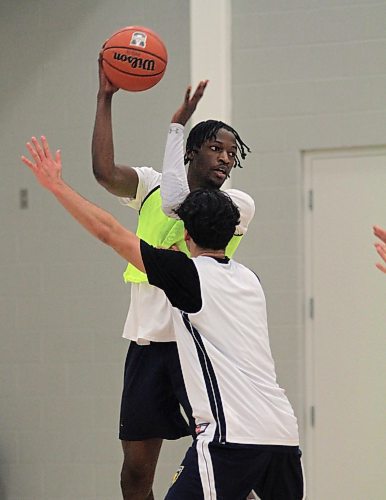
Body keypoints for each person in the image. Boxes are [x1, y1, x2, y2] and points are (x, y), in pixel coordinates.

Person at [21, 138, 304, 499]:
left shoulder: (187, 277)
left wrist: (57, 185)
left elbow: (109, 231)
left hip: (231, 437)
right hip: (282, 432)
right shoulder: (251, 280)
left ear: (186, 236)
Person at [91, 64, 255, 499]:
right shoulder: (150, 185)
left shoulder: (234, 205)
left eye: (232, 153)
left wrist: (174, 127)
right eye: (217, 148)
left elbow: (177, 204)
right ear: (192, 152)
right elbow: (104, 172)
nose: (225, 157)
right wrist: (105, 97)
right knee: (135, 473)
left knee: (234, 459)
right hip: (147, 344)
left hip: (199, 347)